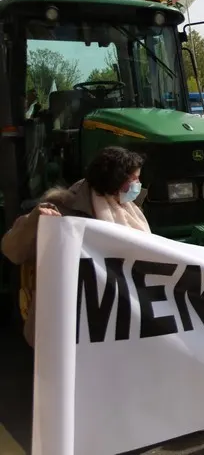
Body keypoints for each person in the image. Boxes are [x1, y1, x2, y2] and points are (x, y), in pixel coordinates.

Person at [1, 146, 150, 347]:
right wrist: (35, 220)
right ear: (116, 181)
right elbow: (13, 251)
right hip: (68, 326)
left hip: (111, 324)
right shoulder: (61, 210)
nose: (138, 185)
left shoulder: (129, 210)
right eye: (134, 180)